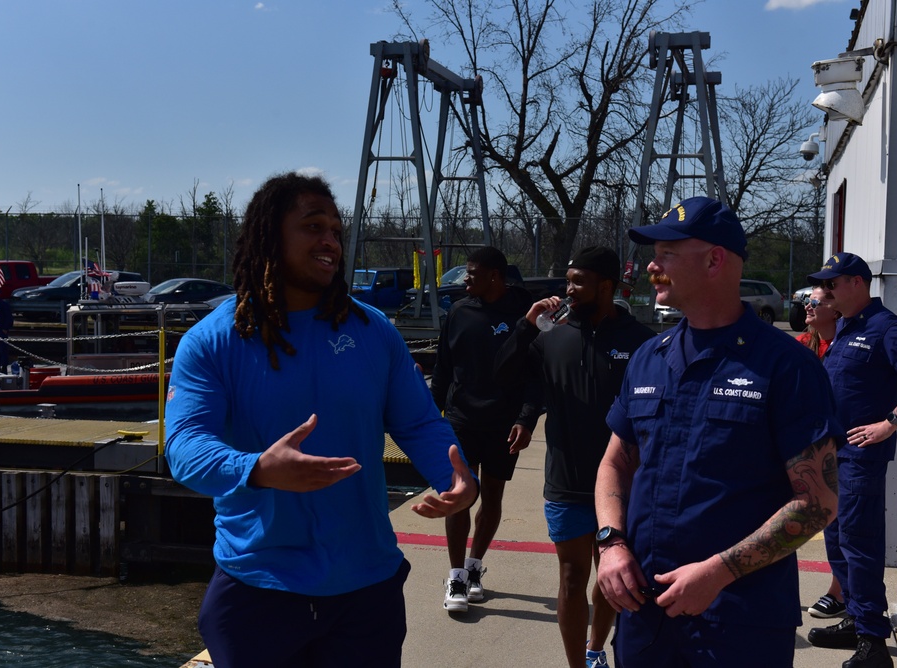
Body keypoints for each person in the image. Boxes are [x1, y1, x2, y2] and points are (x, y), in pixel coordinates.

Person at [164, 172, 478, 668]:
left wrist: (456, 477)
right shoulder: (212, 341)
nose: (330, 239)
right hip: (258, 588)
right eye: (312, 226)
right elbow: (183, 445)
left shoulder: (375, 332)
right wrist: (257, 469)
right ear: (271, 236)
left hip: (364, 590)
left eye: (335, 228)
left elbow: (419, 423)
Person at [595, 197, 842, 668]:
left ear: (714, 259)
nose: (652, 264)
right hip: (647, 613)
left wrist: (718, 573)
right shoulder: (650, 356)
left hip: (739, 621)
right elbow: (615, 461)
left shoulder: (786, 367)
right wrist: (611, 544)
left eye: (667, 252)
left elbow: (818, 503)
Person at [494, 245, 655, 668]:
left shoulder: (641, 343)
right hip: (565, 479)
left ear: (606, 286)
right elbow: (505, 375)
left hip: (622, 485)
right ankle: (576, 665)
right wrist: (526, 328)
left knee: (611, 577)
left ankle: (596, 650)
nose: (568, 289)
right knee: (570, 577)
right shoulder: (552, 335)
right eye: (567, 281)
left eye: (577, 281)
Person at [806, 252, 897, 668]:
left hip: (860, 459)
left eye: (833, 283)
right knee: (837, 543)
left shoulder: (886, 328)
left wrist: (889, 424)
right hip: (832, 456)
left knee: (859, 545)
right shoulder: (846, 326)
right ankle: (856, 619)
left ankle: (873, 644)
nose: (826, 290)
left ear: (858, 284)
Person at [430, 246, 541, 612]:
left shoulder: (524, 315)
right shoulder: (459, 311)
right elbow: (443, 369)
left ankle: (475, 567)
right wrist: (432, 417)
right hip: (461, 420)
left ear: (495, 276)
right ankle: (457, 577)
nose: (466, 280)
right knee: (460, 496)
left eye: (473, 274)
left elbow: (535, 376)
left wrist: (525, 419)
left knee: (492, 496)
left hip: (503, 423)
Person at [796, 286, 848, 619]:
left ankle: (839, 592)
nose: (810, 305)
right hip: (806, 446)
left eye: (819, 300)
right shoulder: (802, 344)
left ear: (838, 309)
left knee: (842, 523)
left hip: (844, 447)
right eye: (808, 299)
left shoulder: (848, 345)